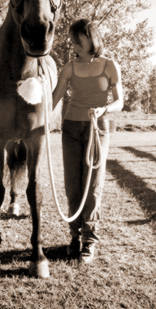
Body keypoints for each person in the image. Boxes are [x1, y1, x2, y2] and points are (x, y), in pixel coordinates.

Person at [52, 18, 123, 264]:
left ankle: (89, 241)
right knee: (73, 186)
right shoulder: (69, 67)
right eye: (72, 41)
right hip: (71, 128)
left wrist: (104, 110)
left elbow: (119, 101)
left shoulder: (110, 65)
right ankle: (74, 236)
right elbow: (54, 99)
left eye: (77, 40)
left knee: (92, 188)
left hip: (98, 129)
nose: (73, 45)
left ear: (91, 38)